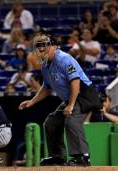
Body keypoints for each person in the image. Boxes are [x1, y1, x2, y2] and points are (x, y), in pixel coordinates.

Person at [18, 35, 101, 166]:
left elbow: (75, 82)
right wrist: (31, 101)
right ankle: (57, 157)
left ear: (55, 46)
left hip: (84, 94)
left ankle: (82, 157)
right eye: (39, 46)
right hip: (71, 97)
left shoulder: (64, 58)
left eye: (44, 45)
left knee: (71, 120)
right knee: (51, 123)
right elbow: (46, 88)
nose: (41, 49)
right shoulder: (45, 65)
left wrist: (71, 105)